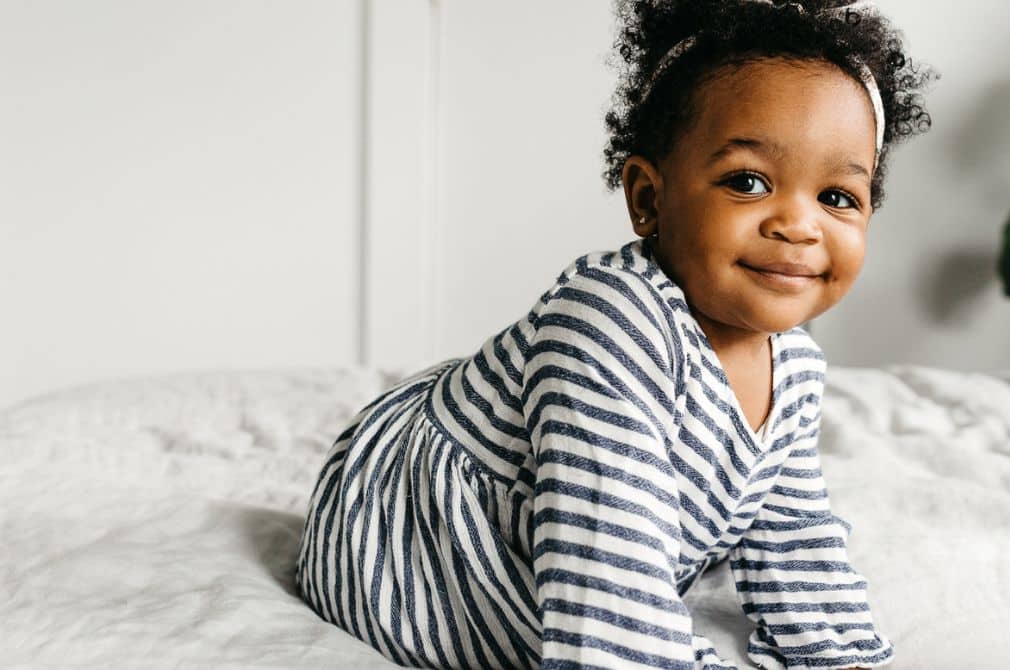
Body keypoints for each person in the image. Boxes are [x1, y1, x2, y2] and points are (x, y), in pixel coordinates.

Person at [294, 0, 933, 668]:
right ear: (649, 200)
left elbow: (793, 534)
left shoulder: (796, 365)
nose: (799, 225)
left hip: (597, 506)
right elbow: (605, 557)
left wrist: (842, 656)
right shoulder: (610, 324)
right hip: (422, 532)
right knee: (550, 622)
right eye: (748, 182)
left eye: (838, 197)